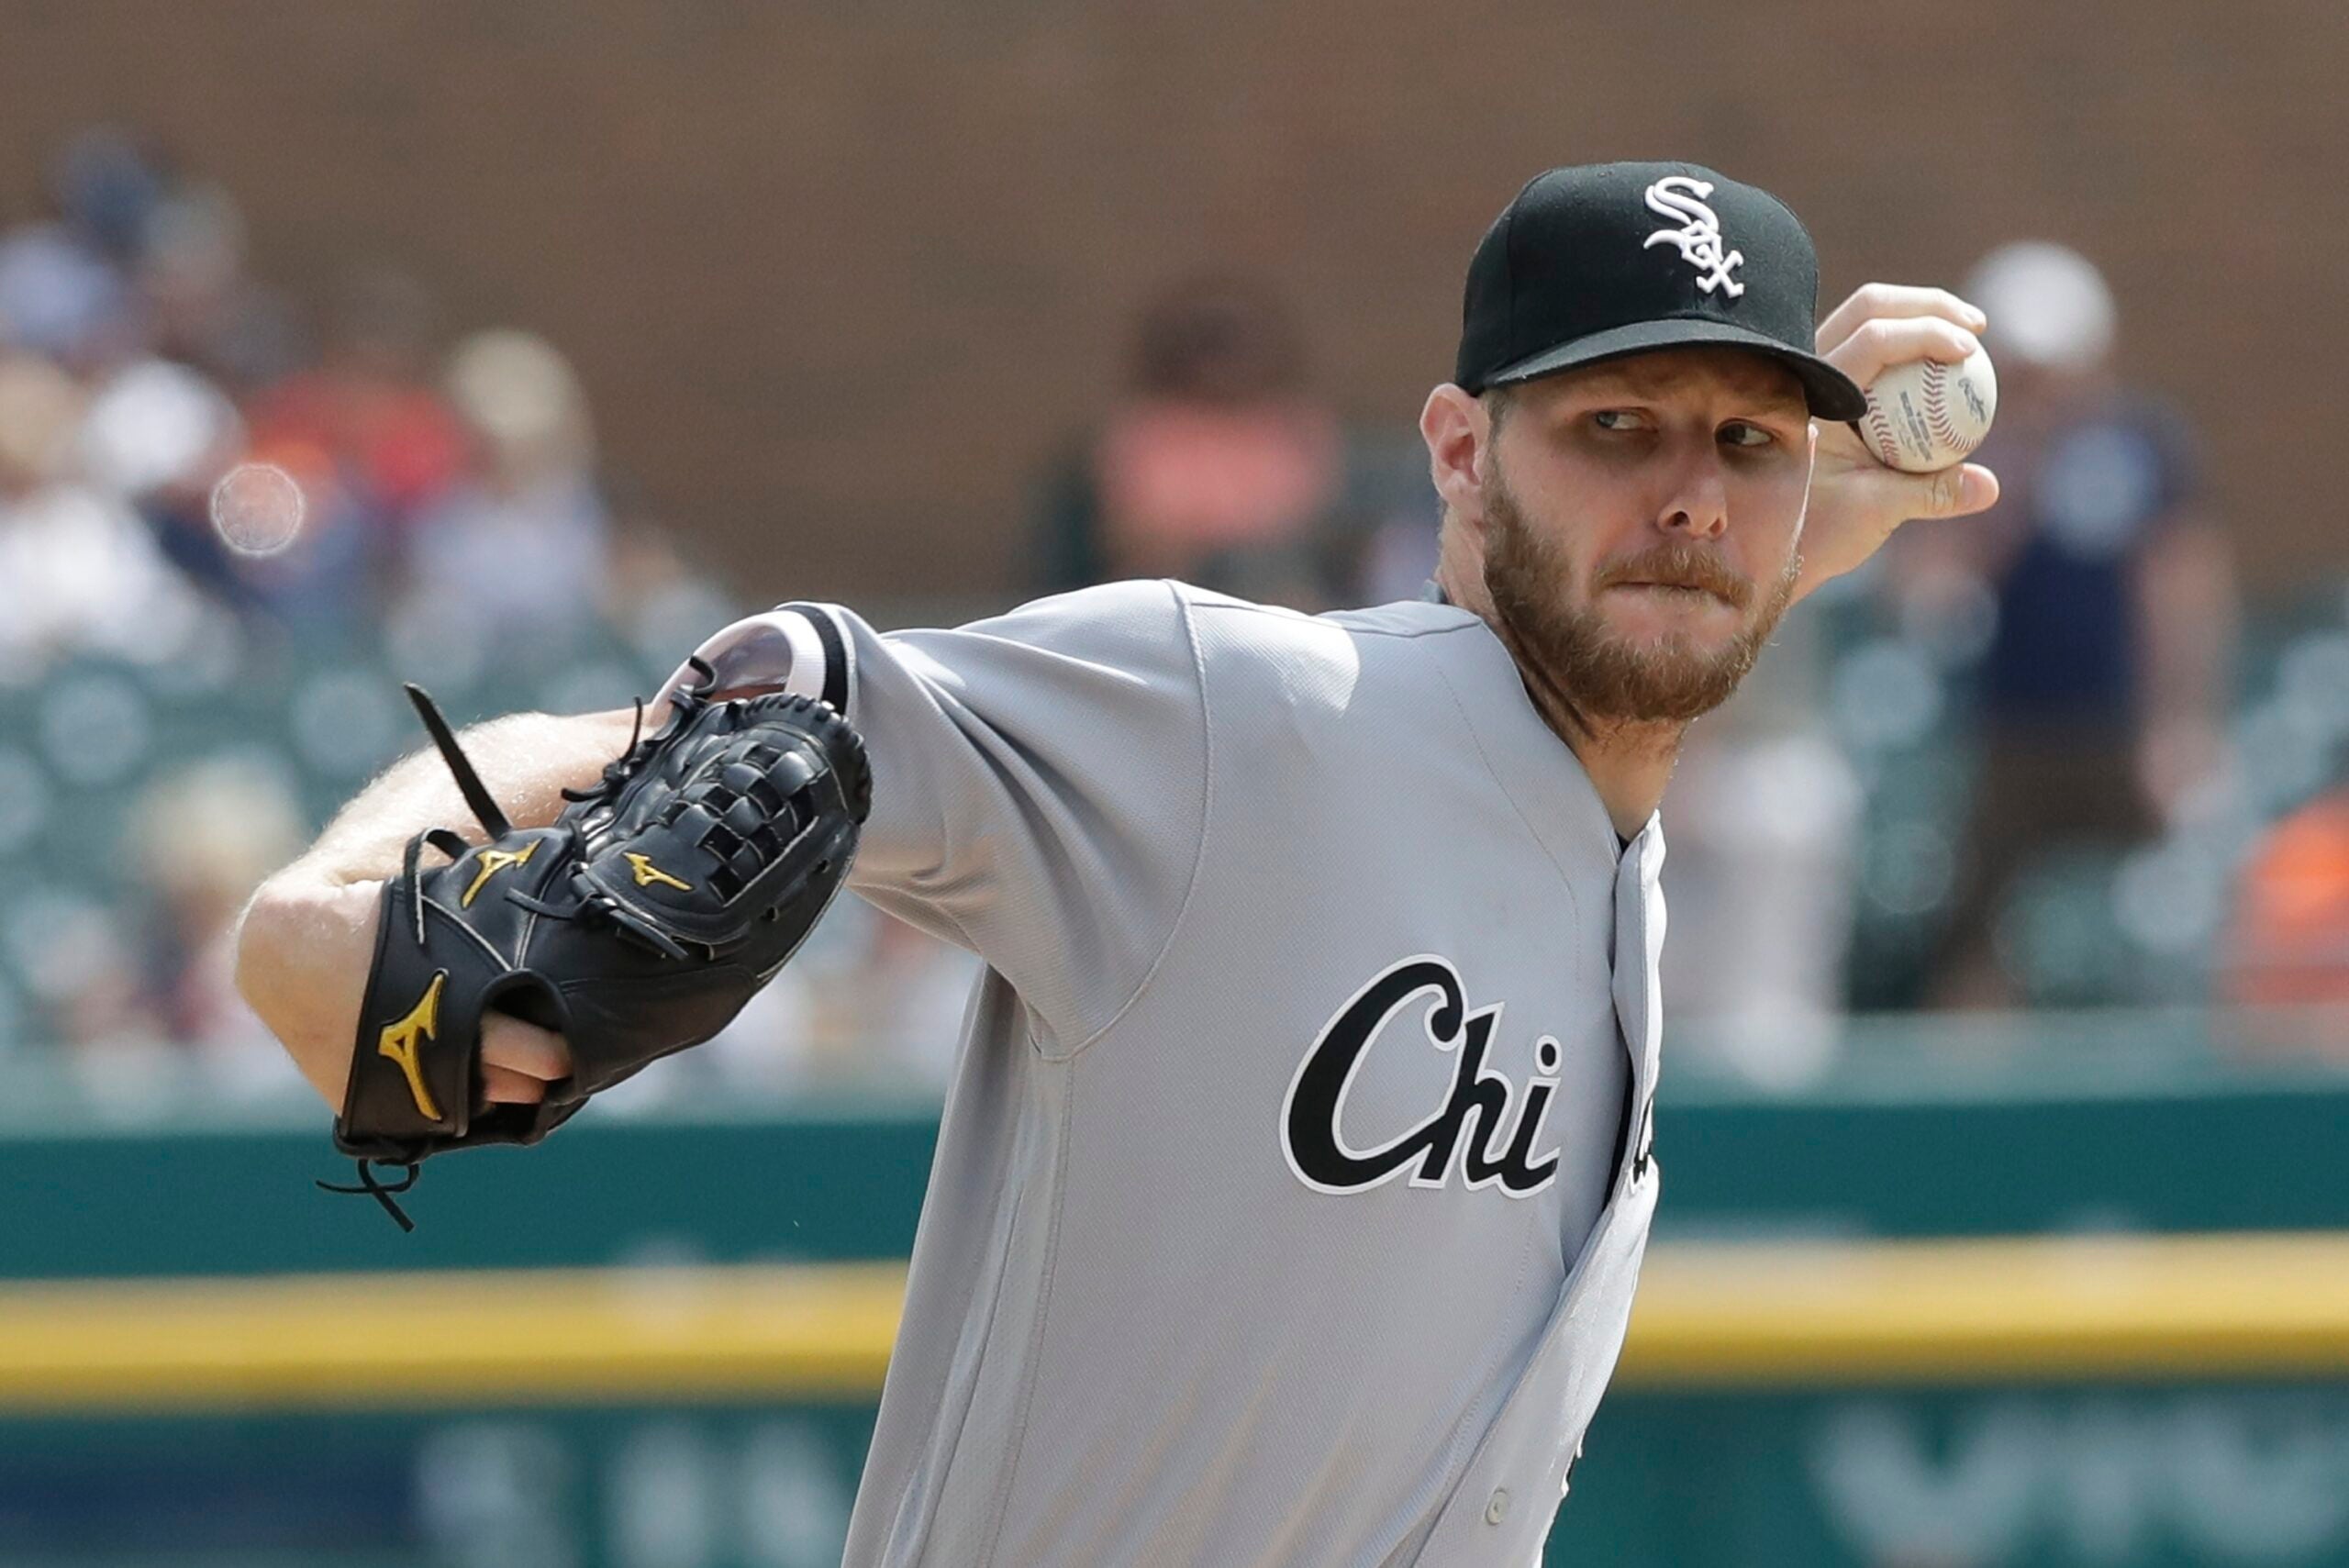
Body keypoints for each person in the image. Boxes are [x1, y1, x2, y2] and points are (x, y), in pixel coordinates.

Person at [233, 162, 1996, 1564]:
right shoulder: (1249, 714)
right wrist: (328, 910)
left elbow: (1675, 601)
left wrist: (1767, 525)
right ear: (1460, 454)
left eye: (1744, 443)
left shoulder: (1615, 835)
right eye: (1615, 425)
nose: (1690, 492)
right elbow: (761, 708)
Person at [1909, 241, 2234, 1009]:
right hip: (2007, 735)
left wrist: (2180, 722)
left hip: (2118, 729)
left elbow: (2180, 588)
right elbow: (1931, 591)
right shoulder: (1968, 454)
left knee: (2158, 933)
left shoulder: (2141, 442)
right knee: (1979, 936)